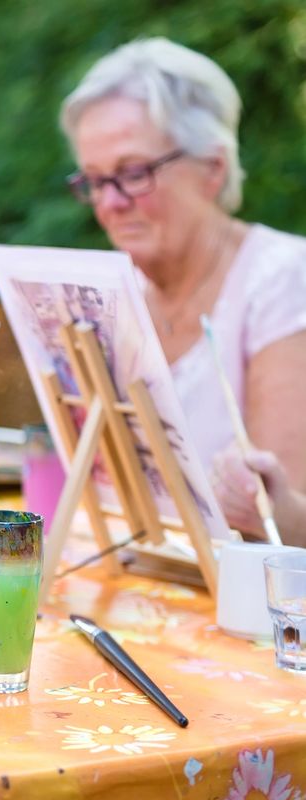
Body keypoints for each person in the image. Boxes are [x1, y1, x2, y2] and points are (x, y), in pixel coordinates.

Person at [61, 38, 306, 532]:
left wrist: (262, 505)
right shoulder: (110, 290)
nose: (110, 203)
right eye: (94, 180)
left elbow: (290, 521)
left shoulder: (284, 278)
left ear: (212, 168)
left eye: (133, 173)